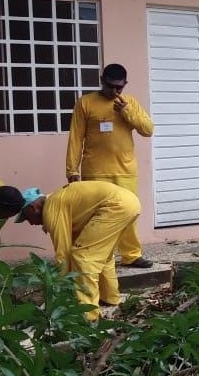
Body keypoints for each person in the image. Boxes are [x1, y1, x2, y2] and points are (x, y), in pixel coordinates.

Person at [66, 63, 154, 268]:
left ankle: (131, 255)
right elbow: (75, 138)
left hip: (125, 171)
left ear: (125, 84)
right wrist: (72, 169)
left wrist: (127, 111)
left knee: (129, 213)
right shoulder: (85, 102)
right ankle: (101, 257)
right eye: (110, 86)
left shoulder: (129, 102)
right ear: (101, 81)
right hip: (94, 171)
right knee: (96, 217)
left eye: (119, 87)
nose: (114, 92)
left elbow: (148, 130)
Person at [15, 182, 141, 321]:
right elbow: (71, 243)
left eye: (27, 217)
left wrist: (59, 290)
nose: (31, 223)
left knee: (84, 257)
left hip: (116, 206)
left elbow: (63, 252)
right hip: (129, 202)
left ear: (33, 208)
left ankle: (87, 315)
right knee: (102, 256)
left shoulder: (51, 209)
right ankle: (110, 298)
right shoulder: (59, 200)